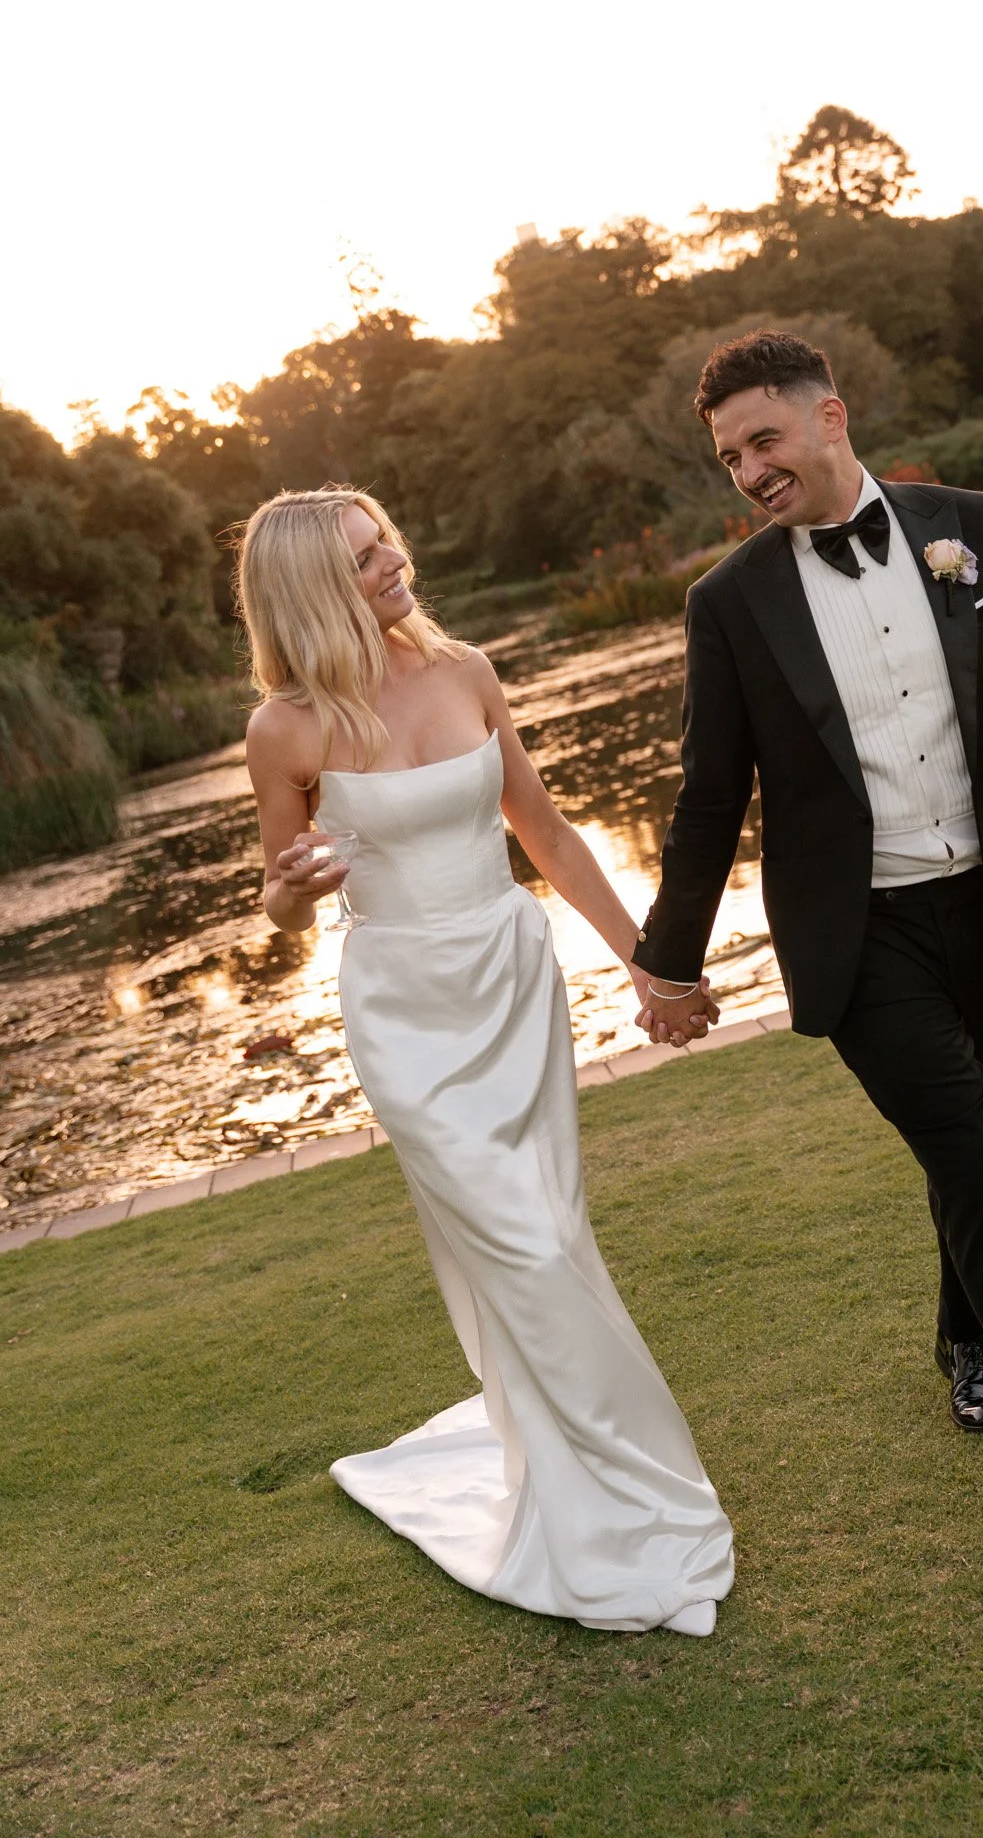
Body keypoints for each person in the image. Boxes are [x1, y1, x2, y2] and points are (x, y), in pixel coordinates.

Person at [634, 330, 983, 1565]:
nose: (749, 472)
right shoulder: (729, 603)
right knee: (972, 1157)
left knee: (973, 1141)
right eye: (729, 458)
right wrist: (670, 961)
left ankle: (964, 1334)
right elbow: (710, 796)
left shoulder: (965, 524)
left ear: (831, 417)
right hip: (858, 933)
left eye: (764, 440)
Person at [236, 486, 732, 1634]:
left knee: (553, 1227)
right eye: (364, 558)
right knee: (520, 1243)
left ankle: (586, 1466)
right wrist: (290, 889)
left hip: (511, 978)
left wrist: (650, 966)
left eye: (386, 541)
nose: (393, 562)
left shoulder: (466, 670)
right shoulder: (284, 729)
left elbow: (544, 831)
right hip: (405, 1006)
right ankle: (623, 1495)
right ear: (312, 590)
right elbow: (282, 905)